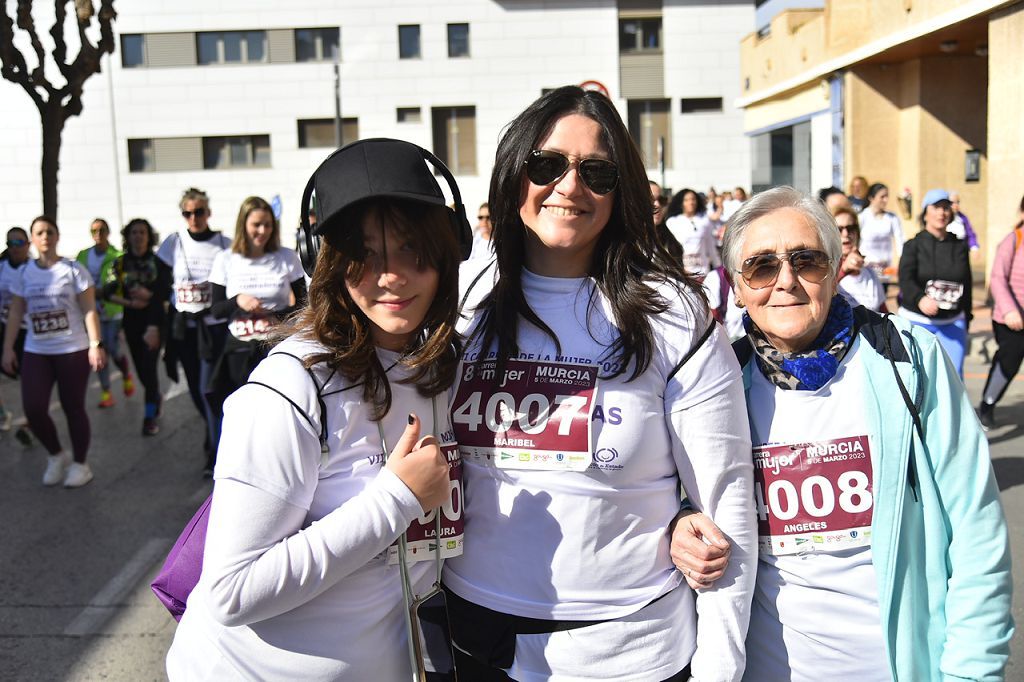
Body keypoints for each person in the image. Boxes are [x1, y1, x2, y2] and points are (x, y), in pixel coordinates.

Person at [449, 85, 756, 681]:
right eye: (546, 165)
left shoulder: (674, 313)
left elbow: (727, 509)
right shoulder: (464, 299)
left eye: (597, 172)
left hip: (627, 652)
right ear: (514, 172)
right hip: (475, 639)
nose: (569, 186)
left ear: (622, 191)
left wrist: (720, 670)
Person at [674, 186, 1012, 681]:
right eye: (762, 267)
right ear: (737, 284)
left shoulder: (910, 360)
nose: (785, 281)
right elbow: (670, 498)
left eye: (805, 260)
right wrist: (680, 524)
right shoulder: (714, 380)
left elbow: (976, 531)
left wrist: (972, 673)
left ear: (834, 269)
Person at [166, 138, 468, 680]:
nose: (391, 275)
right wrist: (397, 498)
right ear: (326, 263)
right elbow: (232, 592)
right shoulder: (290, 388)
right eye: (365, 256)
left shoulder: (443, 367)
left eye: (411, 250)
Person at [2, 216, 106, 488]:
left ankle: (81, 465)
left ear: (57, 236)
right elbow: (16, 312)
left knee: (73, 407)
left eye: (50, 231)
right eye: (39, 232)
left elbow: (89, 309)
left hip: (72, 348)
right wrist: (7, 349)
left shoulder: (73, 269)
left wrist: (96, 344)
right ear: (32, 240)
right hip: (36, 349)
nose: (45, 236)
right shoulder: (25, 273)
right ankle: (56, 455)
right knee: (33, 408)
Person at [206, 196, 306, 410]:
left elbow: (303, 305)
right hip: (240, 350)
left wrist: (276, 314)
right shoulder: (225, 259)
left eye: (268, 225)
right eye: (256, 225)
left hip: (277, 347)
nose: (263, 231)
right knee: (239, 410)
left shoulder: (287, 257)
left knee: (277, 409)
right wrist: (238, 301)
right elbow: (216, 311)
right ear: (243, 225)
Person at [157, 188, 230, 473]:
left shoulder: (224, 243)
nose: (193, 218)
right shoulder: (173, 243)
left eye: (199, 212)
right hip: (184, 328)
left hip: (213, 329)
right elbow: (161, 283)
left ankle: (216, 453)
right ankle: (213, 435)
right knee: (197, 394)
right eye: (187, 213)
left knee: (209, 390)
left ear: (208, 213)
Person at [100, 218, 172, 436]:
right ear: (127, 236)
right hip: (131, 322)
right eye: (134, 232)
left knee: (150, 369)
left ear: (149, 236)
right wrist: (131, 302)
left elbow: (167, 291)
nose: (138, 236)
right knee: (141, 371)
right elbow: (107, 292)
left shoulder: (159, 262)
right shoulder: (120, 263)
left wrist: (149, 297)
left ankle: (149, 416)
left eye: (142, 232)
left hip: (155, 321)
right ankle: (155, 396)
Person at [897, 189, 972, 376]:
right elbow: (905, 280)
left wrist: (967, 317)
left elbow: (967, 283)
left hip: (953, 322)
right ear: (925, 213)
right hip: (917, 321)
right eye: (936, 207)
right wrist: (920, 299)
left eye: (946, 208)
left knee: (954, 378)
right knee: (918, 377)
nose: (942, 213)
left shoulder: (959, 246)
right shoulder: (913, 245)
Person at [979, 193, 1024, 429]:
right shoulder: (1013, 240)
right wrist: (1009, 311)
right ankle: (987, 404)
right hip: (1011, 319)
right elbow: (997, 279)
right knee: (1008, 364)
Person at [77, 218, 133, 408]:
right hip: (91, 311)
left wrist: (104, 292)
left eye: (101, 230)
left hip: (112, 310)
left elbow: (121, 283)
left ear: (108, 232)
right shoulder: (83, 255)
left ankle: (126, 374)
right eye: (94, 231)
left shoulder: (117, 256)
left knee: (112, 348)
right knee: (99, 351)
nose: (98, 234)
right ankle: (106, 392)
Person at [0, 226, 32, 442]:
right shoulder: (1, 267)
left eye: (19, 242)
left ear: (28, 244)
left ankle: (32, 421)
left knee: (29, 379)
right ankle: (3, 414)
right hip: (3, 327)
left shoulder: (35, 268)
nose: (14, 247)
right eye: (10, 243)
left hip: (28, 332)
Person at [833, 207, 885, 312]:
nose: (845, 234)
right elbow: (824, 292)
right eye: (839, 229)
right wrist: (844, 269)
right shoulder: (826, 268)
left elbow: (883, 309)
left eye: (851, 228)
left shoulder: (869, 272)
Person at [664, 187, 721, 276]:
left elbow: (711, 246)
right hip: (681, 273)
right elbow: (668, 249)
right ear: (681, 202)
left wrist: (719, 268)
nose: (691, 202)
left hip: (702, 272)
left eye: (693, 199)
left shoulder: (705, 221)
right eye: (686, 200)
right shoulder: (672, 222)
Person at [857, 182, 903, 275]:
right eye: (882, 197)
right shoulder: (862, 217)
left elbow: (900, 240)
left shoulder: (892, 218)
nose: (886, 200)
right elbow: (855, 241)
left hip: (886, 269)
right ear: (871, 198)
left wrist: (901, 263)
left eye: (887, 196)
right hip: (865, 268)